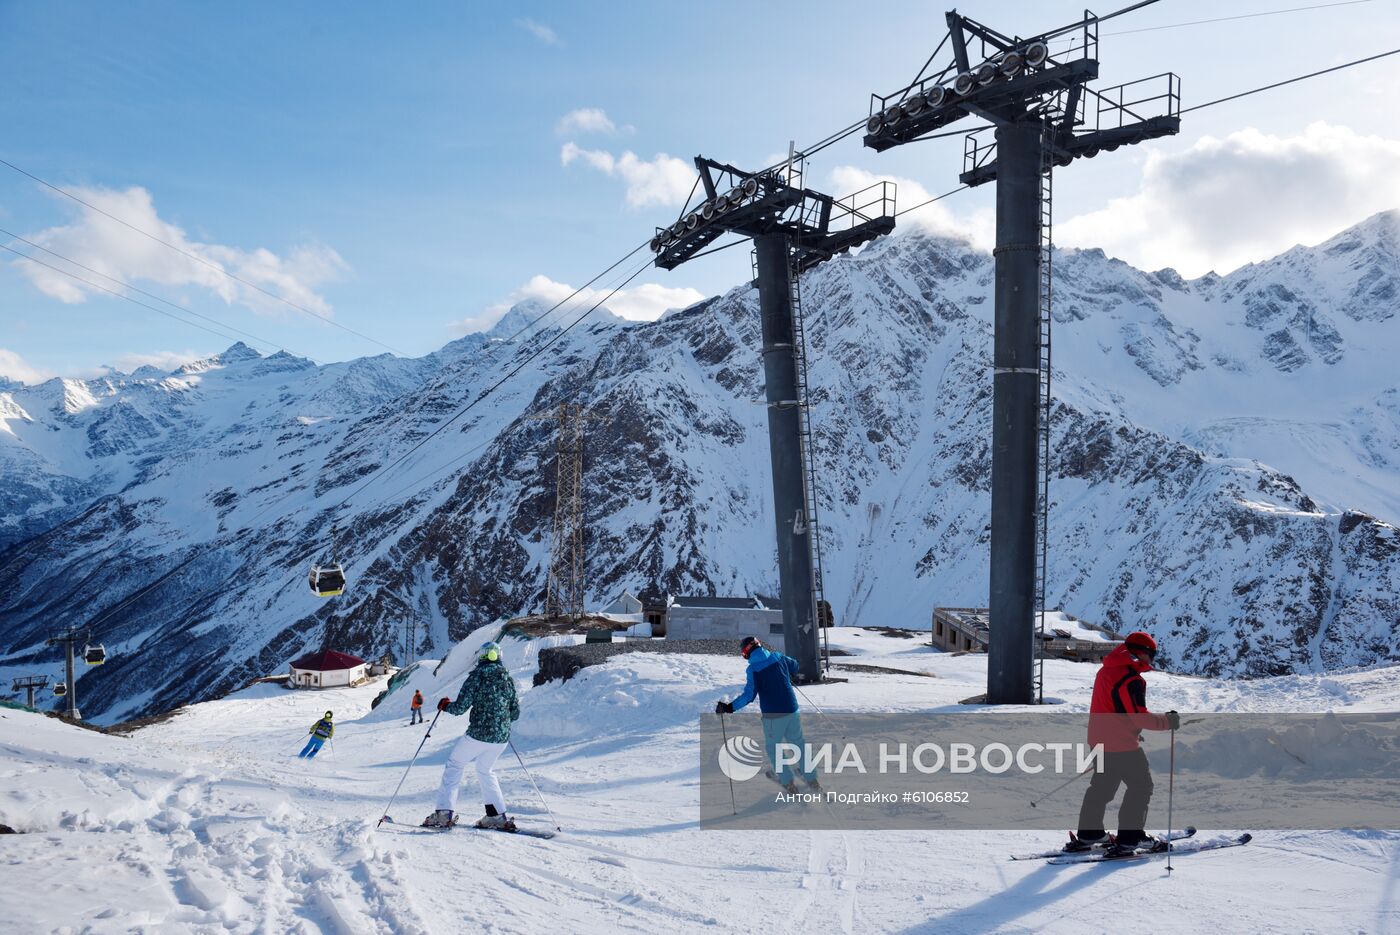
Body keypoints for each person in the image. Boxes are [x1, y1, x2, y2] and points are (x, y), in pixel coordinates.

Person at [1071, 631, 1180, 856]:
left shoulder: (1106, 670)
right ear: (1141, 653)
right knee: (1141, 786)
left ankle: (1089, 834)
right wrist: (1168, 721)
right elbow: (1140, 717)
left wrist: (1129, 730)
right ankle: (1131, 837)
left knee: (1101, 788)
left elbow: (1112, 708)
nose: (1152, 660)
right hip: (1120, 746)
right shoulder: (1131, 679)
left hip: (1098, 739)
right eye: (1152, 654)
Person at [423, 642, 521, 830]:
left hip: (479, 734)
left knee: (455, 765)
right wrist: (500, 718)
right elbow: (515, 713)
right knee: (485, 770)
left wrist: (445, 705)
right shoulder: (507, 679)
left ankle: (443, 814)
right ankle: (496, 816)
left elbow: (460, 707)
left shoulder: (477, 676)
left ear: (482, 657)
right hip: (501, 738)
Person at [715, 636, 820, 794]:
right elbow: (795, 665)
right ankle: (812, 779)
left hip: (773, 716)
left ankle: (788, 782)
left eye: (744, 653)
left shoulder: (753, 670)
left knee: (774, 748)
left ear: (748, 652)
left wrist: (729, 707)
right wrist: (786, 671)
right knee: (798, 743)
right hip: (792, 709)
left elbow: (749, 695)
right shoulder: (777, 656)